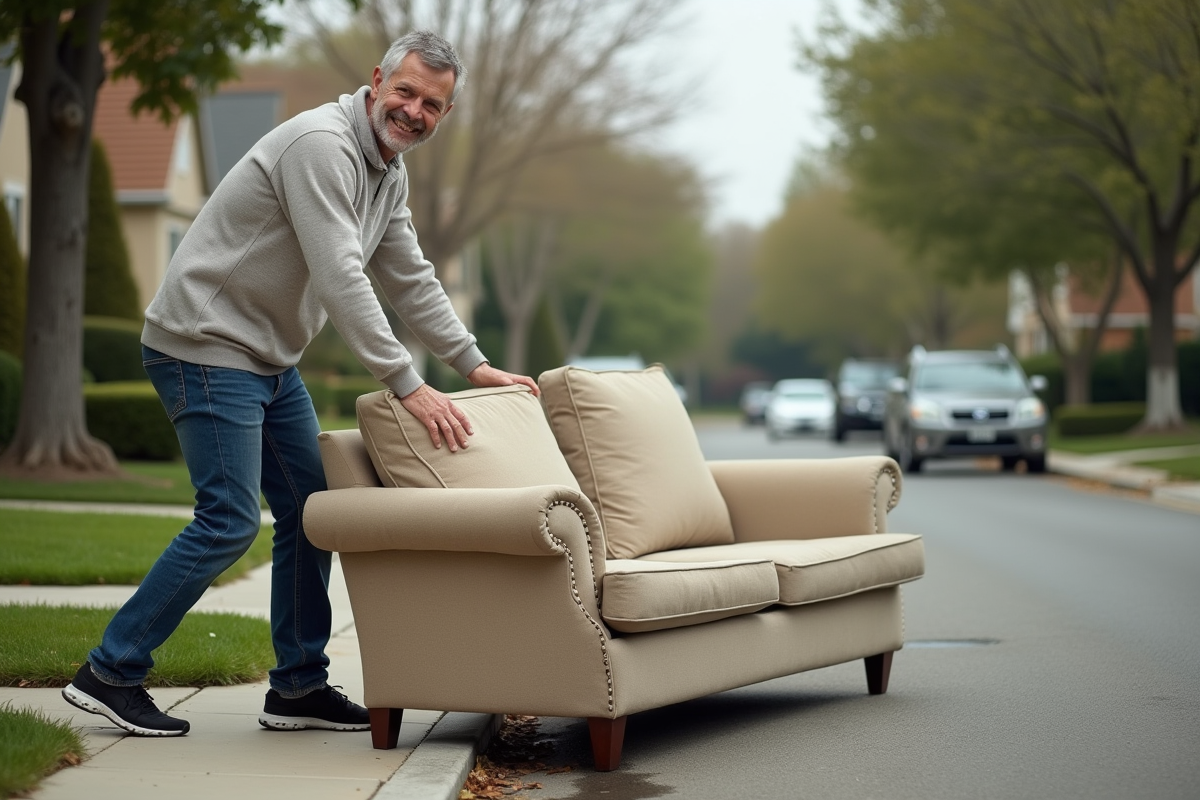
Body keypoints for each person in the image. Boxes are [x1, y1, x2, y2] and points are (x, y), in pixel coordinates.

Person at [62, 30, 536, 737]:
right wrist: (408, 383)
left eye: (432, 104)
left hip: (265, 359)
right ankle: (111, 670)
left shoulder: (388, 172)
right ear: (377, 81)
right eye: (405, 92)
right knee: (227, 519)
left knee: (314, 511)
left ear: (445, 113)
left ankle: (298, 686)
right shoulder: (322, 146)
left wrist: (473, 364)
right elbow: (341, 275)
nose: (413, 111)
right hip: (205, 344)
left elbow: (408, 276)